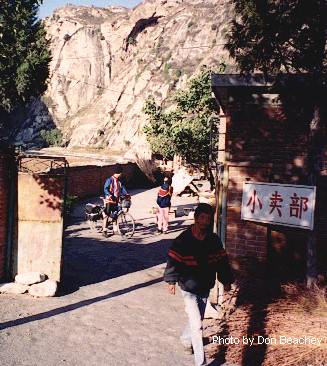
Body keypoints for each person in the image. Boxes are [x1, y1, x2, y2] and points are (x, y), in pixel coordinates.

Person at [163, 203, 234, 366]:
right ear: (195, 219)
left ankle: (186, 339)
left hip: (205, 285)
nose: (205, 222)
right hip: (188, 287)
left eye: (208, 219)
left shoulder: (213, 241)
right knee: (197, 325)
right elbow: (172, 261)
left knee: (197, 320)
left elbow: (222, 262)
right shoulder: (183, 240)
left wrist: (227, 280)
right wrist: (171, 280)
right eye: (202, 218)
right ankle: (200, 362)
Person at [102, 164, 129, 237]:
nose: (121, 174)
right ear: (119, 173)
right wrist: (110, 195)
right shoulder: (109, 180)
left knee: (115, 215)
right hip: (109, 201)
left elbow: (122, 189)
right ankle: (104, 231)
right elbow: (105, 189)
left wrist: (126, 194)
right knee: (107, 215)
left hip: (116, 200)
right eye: (121, 173)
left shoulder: (119, 181)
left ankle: (115, 230)